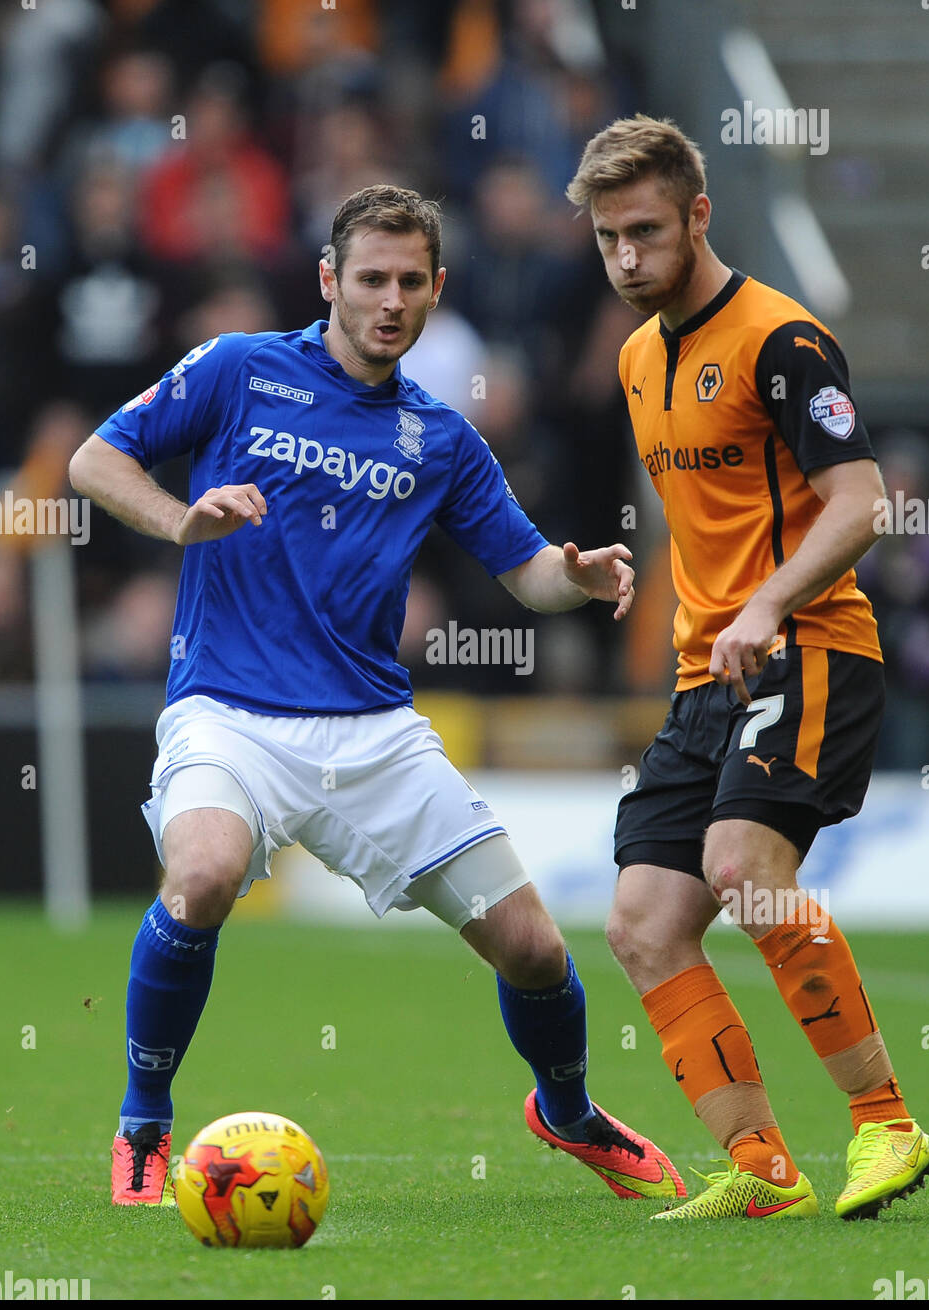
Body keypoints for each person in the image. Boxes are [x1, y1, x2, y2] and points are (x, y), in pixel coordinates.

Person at [68, 183, 687, 1209]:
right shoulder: (237, 369)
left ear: (437, 289)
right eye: (370, 279)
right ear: (328, 282)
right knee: (205, 875)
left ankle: (569, 1111)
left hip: (376, 734)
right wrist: (182, 521)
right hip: (229, 711)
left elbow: (524, 568)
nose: (390, 300)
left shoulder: (439, 437)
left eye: (410, 282)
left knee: (534, 949)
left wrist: (570, 579)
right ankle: (143, 1119)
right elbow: (95, 459)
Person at [566, 116, 929, 1220]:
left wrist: (768, 600)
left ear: (699, 216)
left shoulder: (783, 339)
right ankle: (763, 1168)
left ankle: (889, 1128)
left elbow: (864, 499)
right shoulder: (639, 356)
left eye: (644, 232)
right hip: (706, 677)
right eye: (606, 241)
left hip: (812, 645)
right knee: (642, 918)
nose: (627, 259)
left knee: (745, 868)